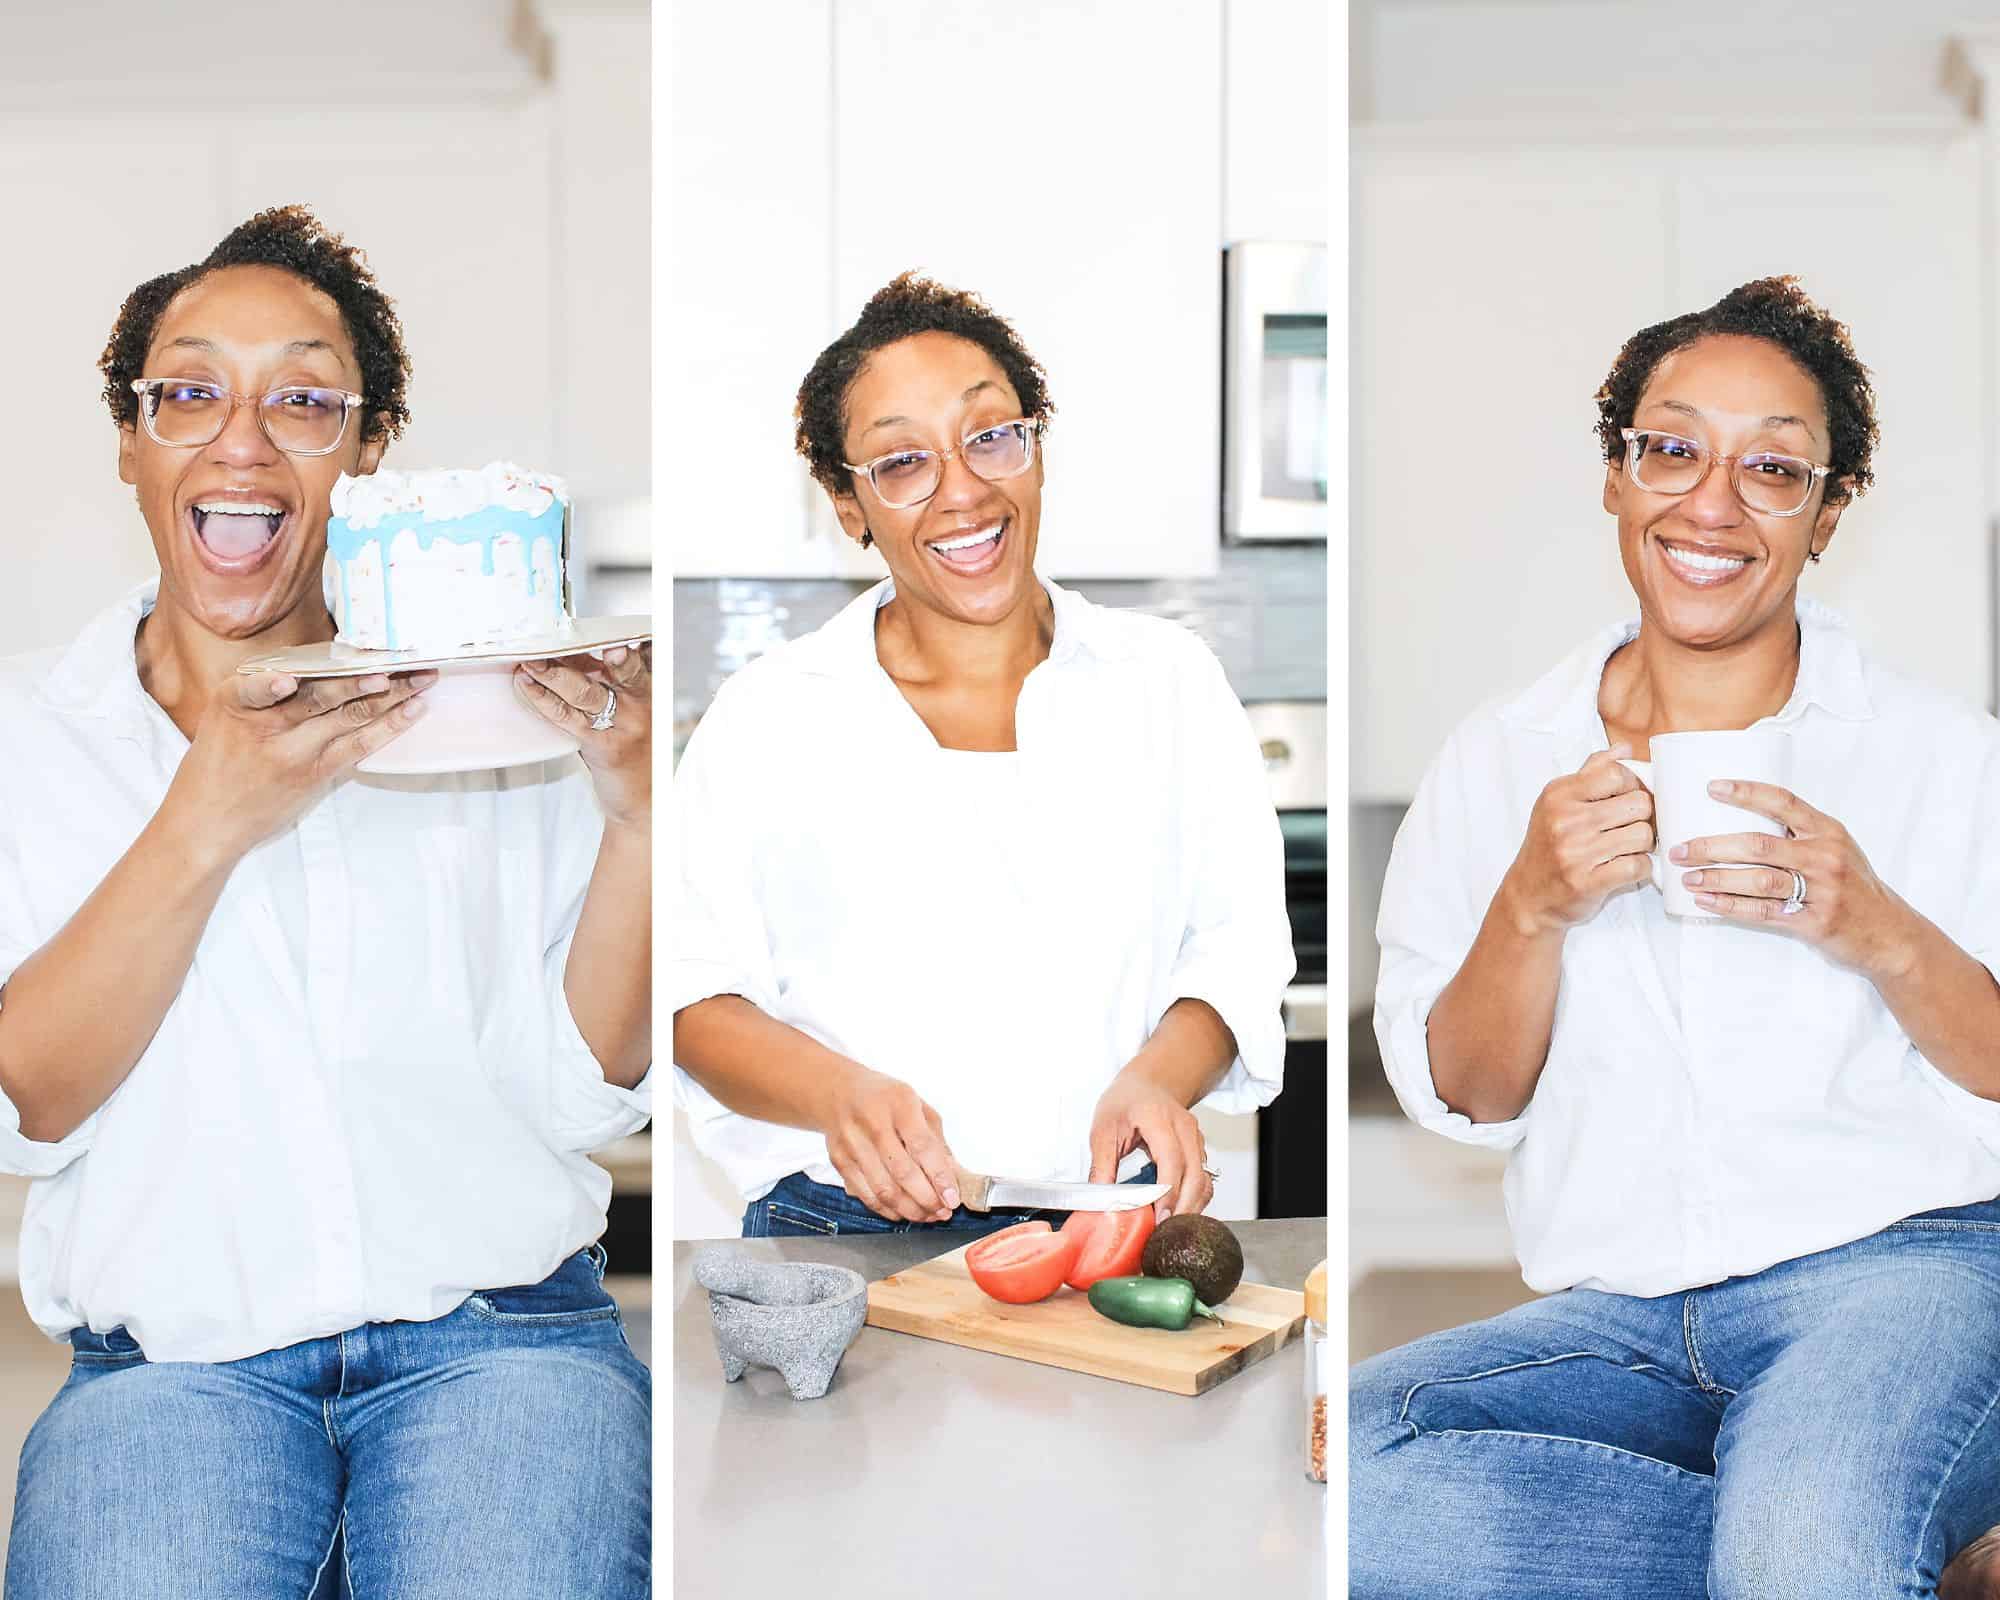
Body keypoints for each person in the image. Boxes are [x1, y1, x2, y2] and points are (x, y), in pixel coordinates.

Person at [0, 206, 651, 1598]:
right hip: (168, 1373)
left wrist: (643, 814)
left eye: (304, 398)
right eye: (189, 392)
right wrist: (207, 815)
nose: (242, 440)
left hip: (505, 1345)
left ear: (364, 457)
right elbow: (29, 1099)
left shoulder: (493, 707)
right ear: (130, 442)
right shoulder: (30, 740)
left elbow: (584, 1085)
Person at [1350, 275, 2000, 1599]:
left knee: (1809, 1550)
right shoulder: (1499, 766)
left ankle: (1826, 1536)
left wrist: (1874, 925)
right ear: (1616, 476)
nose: (1712, 502)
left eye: (1774, 469)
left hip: (1907, 1278)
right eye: (1674, 448)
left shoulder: (1943, 757)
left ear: (1826, 516)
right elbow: (1465, 1092)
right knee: (1346, 1482)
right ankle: (1913, 1559)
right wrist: (1529, 904)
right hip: (1623, 1321)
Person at [672, 273, 1292, 1238]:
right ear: (847, 503)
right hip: (844, 1232)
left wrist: (1156, 1081)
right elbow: (691, 994)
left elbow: (1237, 949)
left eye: (991, 435)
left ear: (1036, 449)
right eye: (903, 461)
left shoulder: (1166, 681)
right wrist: (841, 1096)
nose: (963, 490)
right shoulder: (770, 718)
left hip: (1116, 1219)